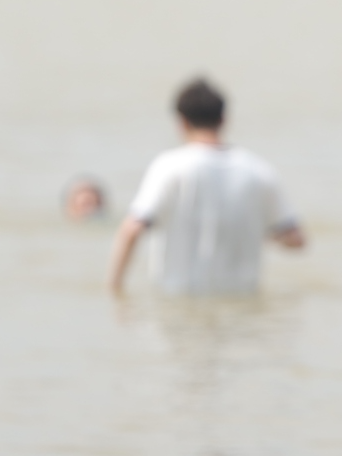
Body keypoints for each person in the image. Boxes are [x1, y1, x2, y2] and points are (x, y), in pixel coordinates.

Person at [108, 77, 306, 297]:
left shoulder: (170, 166)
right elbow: (296, 240)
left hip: (178, 303)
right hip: (240, 307)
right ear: (224, 120)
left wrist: (115, 289)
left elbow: (132, 229)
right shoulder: (259, 170)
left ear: (181, 122)